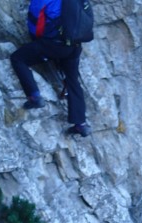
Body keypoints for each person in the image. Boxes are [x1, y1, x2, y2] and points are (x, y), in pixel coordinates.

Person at [10, 0, 91, 137]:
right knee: (72, 80)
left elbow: (35, 26)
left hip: (55, 46)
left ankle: (34, 97)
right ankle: (80, 124)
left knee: (18, 58)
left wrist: (40, 43)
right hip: (75, 46)